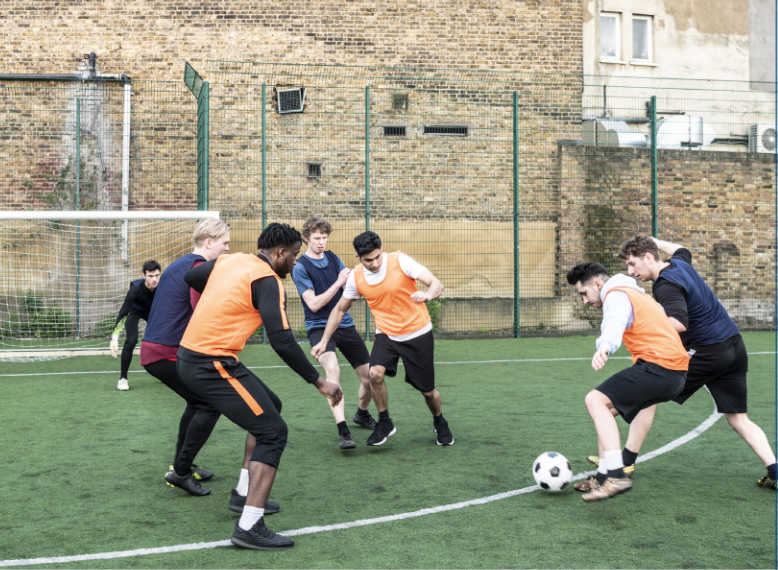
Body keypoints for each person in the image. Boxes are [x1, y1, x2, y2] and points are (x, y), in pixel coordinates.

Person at [179, 222, 343, 551]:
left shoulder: (233, 260)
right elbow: (282, 340)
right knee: (273, 432)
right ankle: (249, 526)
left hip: (200, 357)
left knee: (271, 407)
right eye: (293, 255)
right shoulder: (267, 279)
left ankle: (243, 494)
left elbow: (192, 277)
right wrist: (319, 382)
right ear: (279, 253)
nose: (294, 262)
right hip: (210, 363)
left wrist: (225, 296)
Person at [586, 235, 778, 490]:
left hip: (707, 352)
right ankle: (775, 471)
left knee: (647, 391)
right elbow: (682, 248)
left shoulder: (665, 286)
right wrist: (653, 240)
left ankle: (625, 462)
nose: (631, 272)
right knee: (738, 418)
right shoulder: (679, 263)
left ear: (648, 258)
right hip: (734, 346)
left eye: (633, 264)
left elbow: (678, 322)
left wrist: (645, 319)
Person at [312, 230, 453, 447]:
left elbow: (437, 284)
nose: (375, 263)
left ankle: (439, 421)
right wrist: (323, 341)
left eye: (377, 257)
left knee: (427, 391)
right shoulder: (357, 277)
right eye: (368, 260)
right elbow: (339, 310)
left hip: (417, 332)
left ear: (381, 251)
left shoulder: (400, 261)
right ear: (358, 257)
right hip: (387, 334)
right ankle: (385, 422)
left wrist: (428, 294)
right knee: (374, 374)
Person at [566, 262, 689, 501]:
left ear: (598, 284)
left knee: (594, 400)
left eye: (584, 293)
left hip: (660, 367)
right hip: (675, 373)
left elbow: (615, 320)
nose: (585, 300)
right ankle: (602, 478)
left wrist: (605, 346)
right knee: (604, 412)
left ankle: (615, 476)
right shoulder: (636, 293)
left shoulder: (616, 294)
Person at [139, 217, 233, 497]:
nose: (227, 249)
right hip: (165, 351)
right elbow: (202, 312)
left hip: (157, 350)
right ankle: (180, 472)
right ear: (209, 242)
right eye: (225, 243)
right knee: (209, 403)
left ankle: (183, 465)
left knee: (197, 402)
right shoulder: (197, 268)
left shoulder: (179, 264)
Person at [292, 216, 376, 450]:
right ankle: (343, 430)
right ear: (306, 238)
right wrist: (339, 283)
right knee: (333, 370)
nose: (321, 242)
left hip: (344, 324)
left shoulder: (333, 258)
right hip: (318, 327)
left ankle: (362, 413)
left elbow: (349, 288)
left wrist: (356, 287)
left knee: (370, 377)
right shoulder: (300, 267)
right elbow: (314, 304)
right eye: (317, 238)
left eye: (324, 237)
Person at [110, 260, 161, 391]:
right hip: (134, 311)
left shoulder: (164, 286)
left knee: (164, 338)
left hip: (152, 312)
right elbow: (123, 312)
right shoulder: (135, 289)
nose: (154, 279)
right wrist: (114, 337)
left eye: (157, 275)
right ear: (144, 276)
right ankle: (123, 379)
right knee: (131, 340)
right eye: (150, 276)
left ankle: (162, 373)